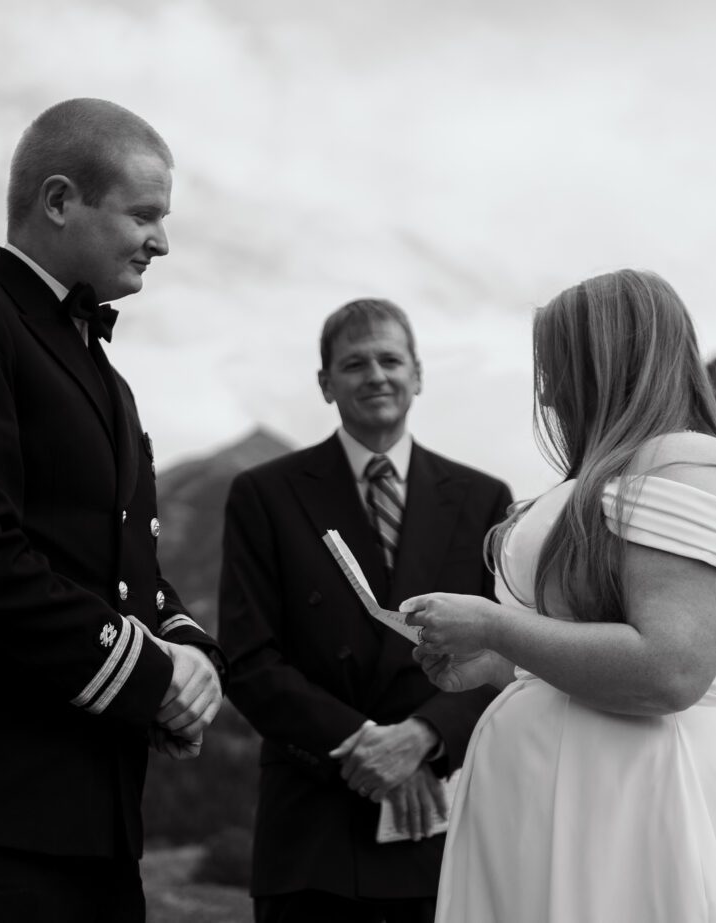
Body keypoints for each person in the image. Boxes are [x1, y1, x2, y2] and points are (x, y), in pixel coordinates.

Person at [0, 98, 225, 922]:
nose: (162, 242)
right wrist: (149, 676)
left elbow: (125, 569)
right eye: (144, 215)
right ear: (60, 201)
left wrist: (188, 648)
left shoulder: (108, 379)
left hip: (94, 824)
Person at [402, 270, 716, 922]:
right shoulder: (639, 466)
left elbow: (669, 667)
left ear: (608, 360)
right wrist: (499, 662)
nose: (548, 390)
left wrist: (496, 627)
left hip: (652, 803)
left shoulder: (685, 462)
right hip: (591, 806)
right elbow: (605, 639)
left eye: (558, 365)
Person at [219, 299, 513, 923]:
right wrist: (367, 746)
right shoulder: (264, 495)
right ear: (325, 383)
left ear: (419, 375)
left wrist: (423, 737)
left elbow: (505, 651)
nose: (376, 375)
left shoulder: (484, 498)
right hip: (312, 825)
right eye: (354, 364)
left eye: (390, 359)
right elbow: (249, 661)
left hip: (438, 820)